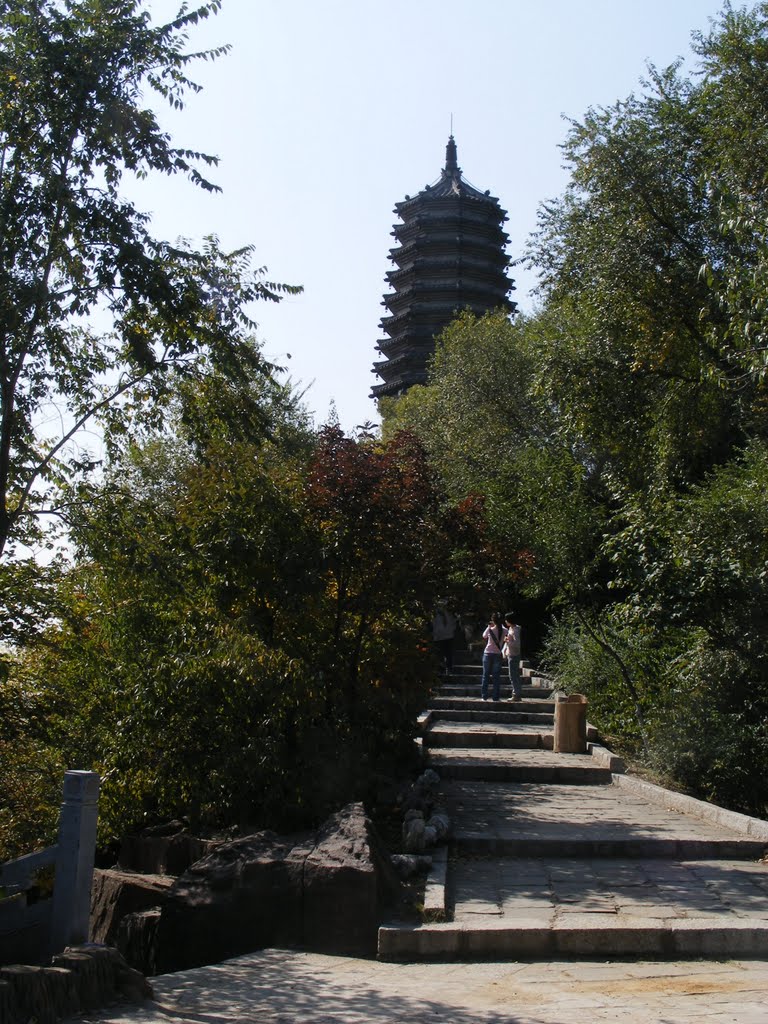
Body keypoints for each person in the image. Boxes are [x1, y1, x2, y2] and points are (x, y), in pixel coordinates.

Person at [481, 611, 505, 701]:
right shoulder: (504, 630)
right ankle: (496, 697)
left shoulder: (490, 629)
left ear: (492, 620)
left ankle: (484, 696)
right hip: (497, 654)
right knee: (496, 677)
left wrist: (489, 626)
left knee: (485, 675)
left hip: (487, 653)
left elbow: (484, 636)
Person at [432, 603, 458, 676]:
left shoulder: (448, 613)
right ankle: (440, 670)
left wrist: (452, 630)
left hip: (448, 636)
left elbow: (453, 623)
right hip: (438, 637)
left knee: (448, 654)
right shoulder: (434, 614)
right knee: (440, 654)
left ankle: (448, 670)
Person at [503, 612, 522, 701]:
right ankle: (516, 693)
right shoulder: (511, 628)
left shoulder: (515, 630)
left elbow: (516, 644)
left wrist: (508, 642)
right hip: (511, 653)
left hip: (514, 654)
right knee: (513, 675)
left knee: (513, 675)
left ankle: (516, 694)